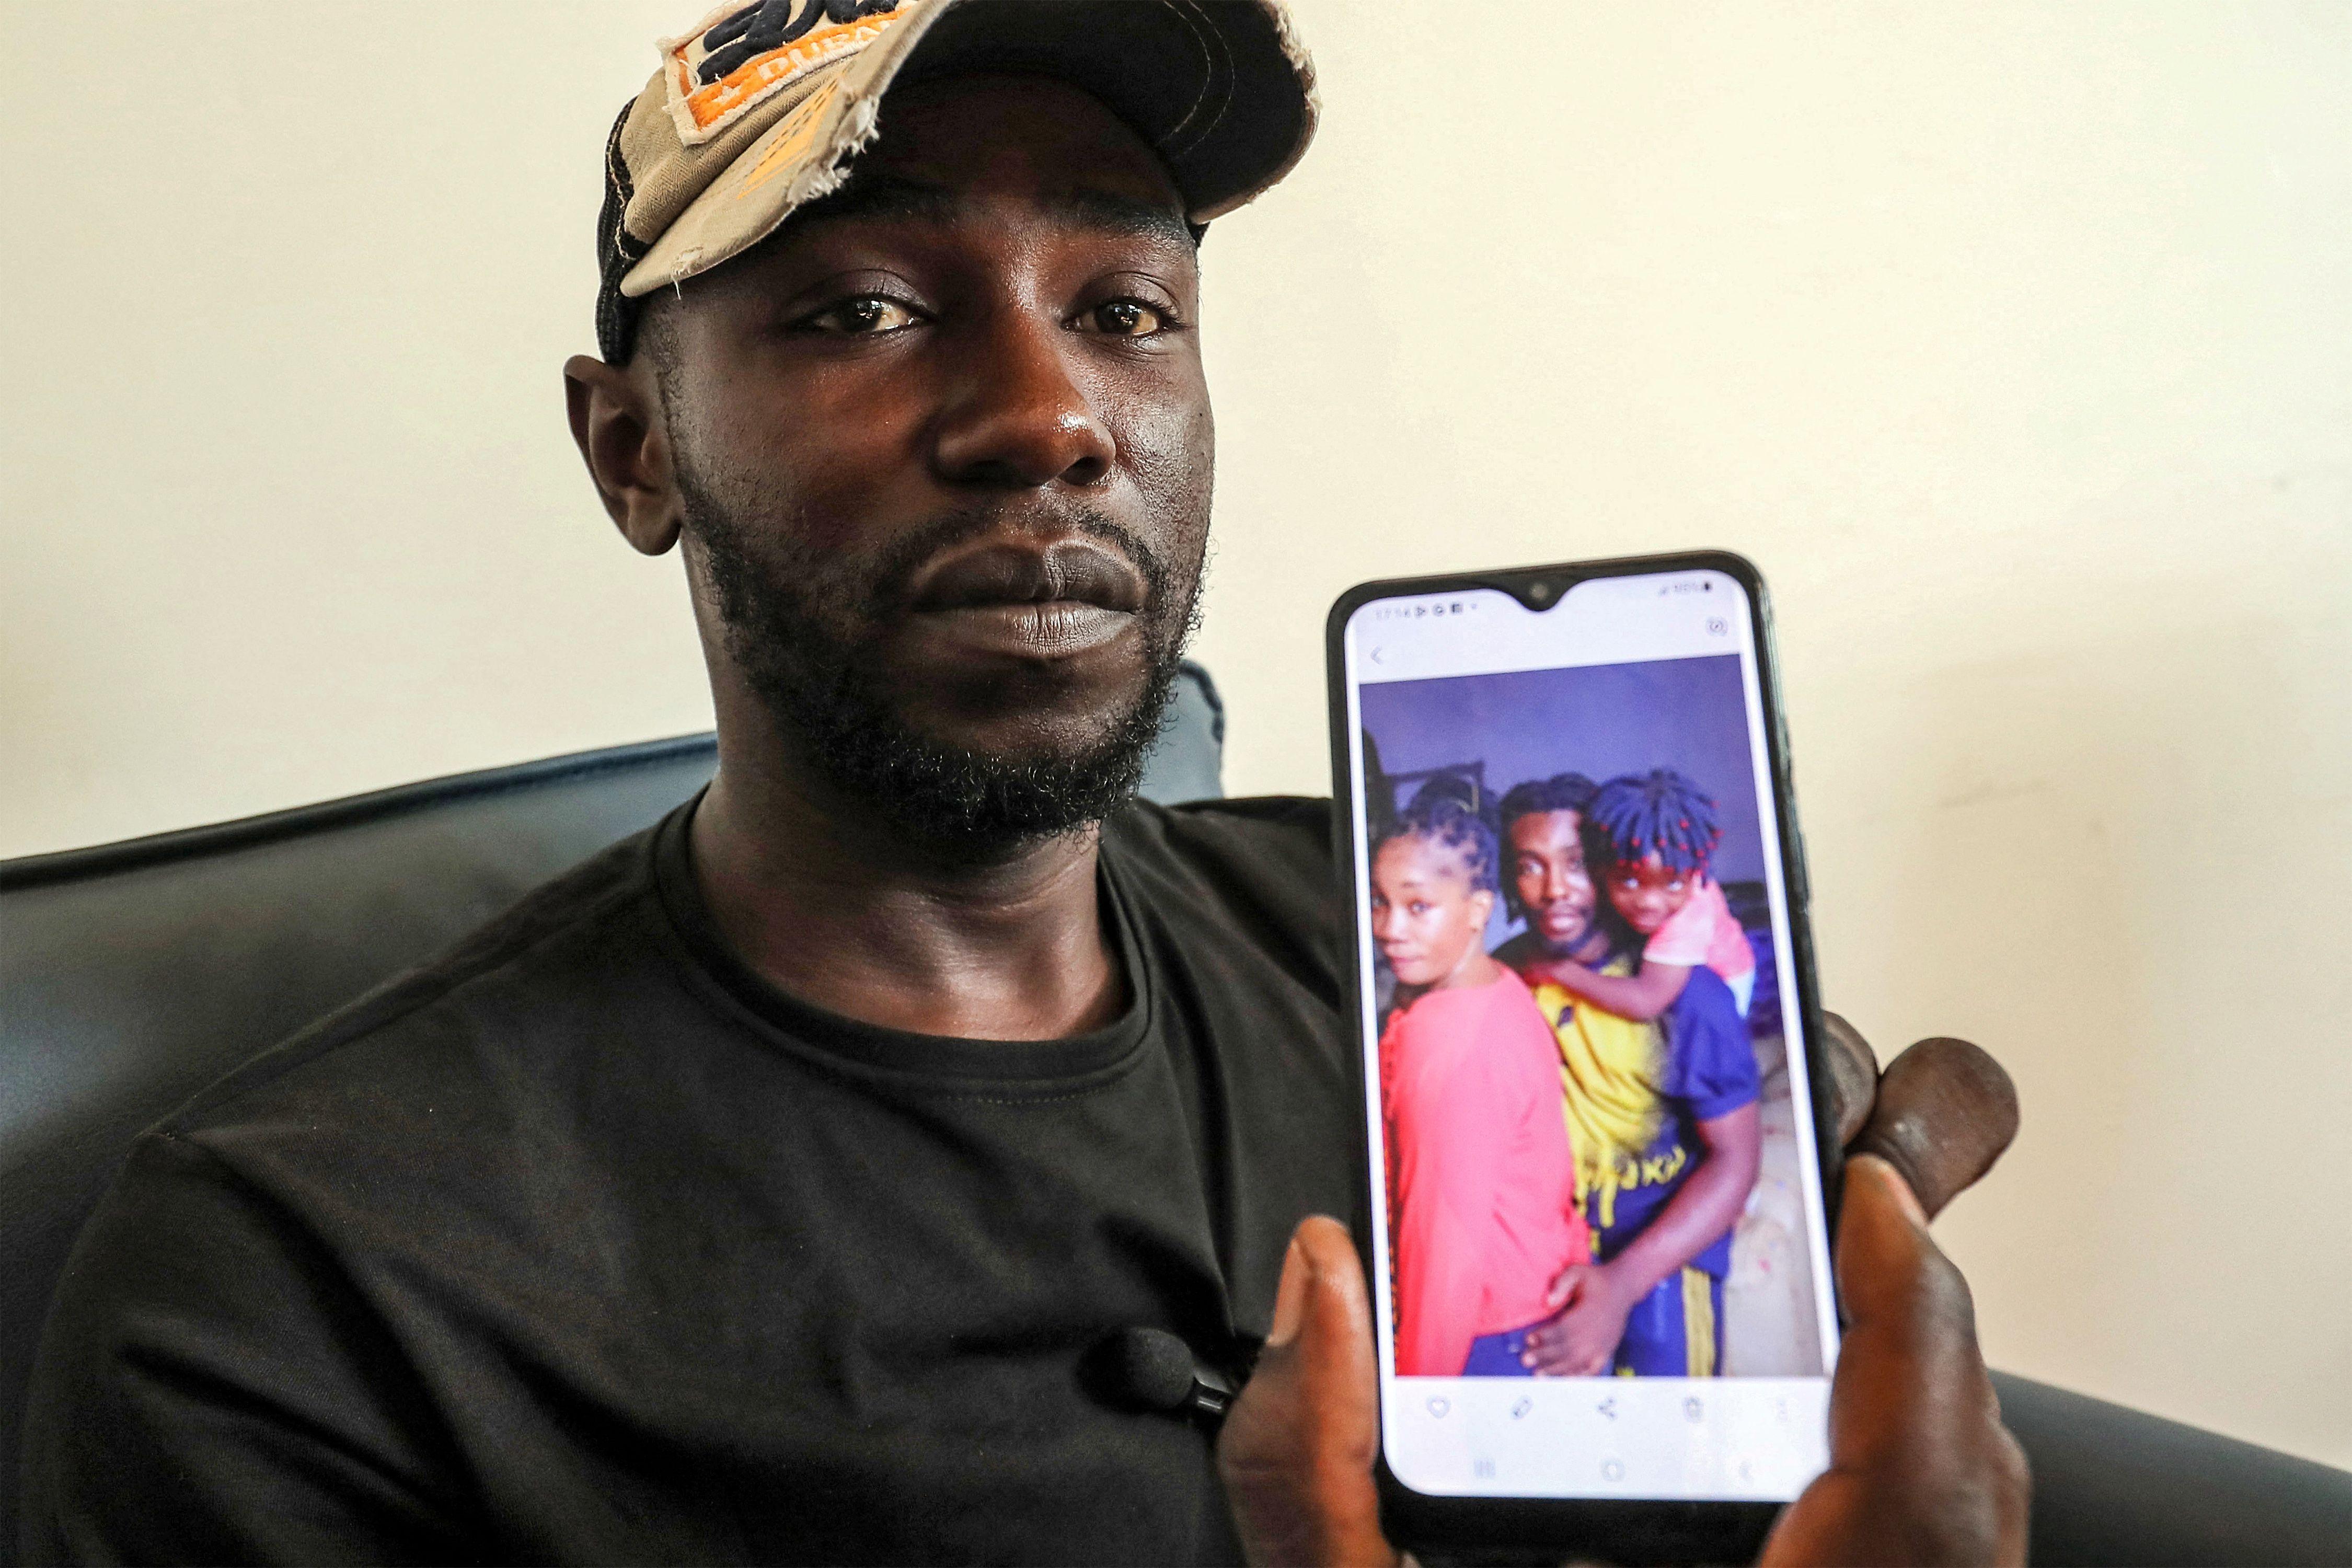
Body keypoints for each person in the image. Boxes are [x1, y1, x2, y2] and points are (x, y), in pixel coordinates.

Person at [20, 3, 2028, 1563]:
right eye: (867, 308)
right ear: (634, 449)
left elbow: (1841, 1094)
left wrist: (1850, 1166)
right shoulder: (299, 1288)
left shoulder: (1381, 923)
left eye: (1126, 311)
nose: (1052, 414)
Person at [1492, 776, 1761, 1377]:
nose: (1555, 889)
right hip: (1547, 1248)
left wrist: (1622, 1284)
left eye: (1577, 864)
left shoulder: (1689, 994)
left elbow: (1736, 1160)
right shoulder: (1500, 980)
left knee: (1669, 1443)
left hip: (1659, 1252)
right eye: (1530, 867)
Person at [1369, 798, 1588, 1378]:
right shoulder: (1501, 988)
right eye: (1380, 902)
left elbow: (1443, 1253)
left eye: (1419, 907)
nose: (1390, 929)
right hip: (1533, 1306)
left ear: (1478, 909)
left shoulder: (1445, 1040)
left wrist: (1417, 1410)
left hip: (1478, 1337)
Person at [1524, 767, 1760, 1022]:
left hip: (1726, 979)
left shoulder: (1690, 917)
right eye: (1629, 881)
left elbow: (1645, 1001)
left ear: (1694, 874)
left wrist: (1562, 972)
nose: (1649, 903)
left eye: (1672, 885)